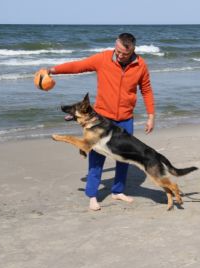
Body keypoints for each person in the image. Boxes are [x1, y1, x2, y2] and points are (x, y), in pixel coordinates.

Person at [47, 33, 155, 211]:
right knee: (96, 158)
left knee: (125, 158)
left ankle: (118, 191)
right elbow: (78, 66)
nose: (120, 55)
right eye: (118, 51)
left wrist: (151, 116)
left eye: (125, 54)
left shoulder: (140, 65)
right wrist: (53, 70)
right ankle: (92, 195)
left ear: (133, 50)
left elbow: (146, 90)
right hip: (102, 119)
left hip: (126, 118)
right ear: (115, 45)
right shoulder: (103, 58)